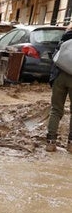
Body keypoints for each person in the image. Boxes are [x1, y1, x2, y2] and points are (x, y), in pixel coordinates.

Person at [45, 23, 72, 152]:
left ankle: (50, 142)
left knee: (56, 110)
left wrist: (52, 78)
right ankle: (71, 144)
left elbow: (55, 59)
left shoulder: (64, 38)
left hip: (60, 76)